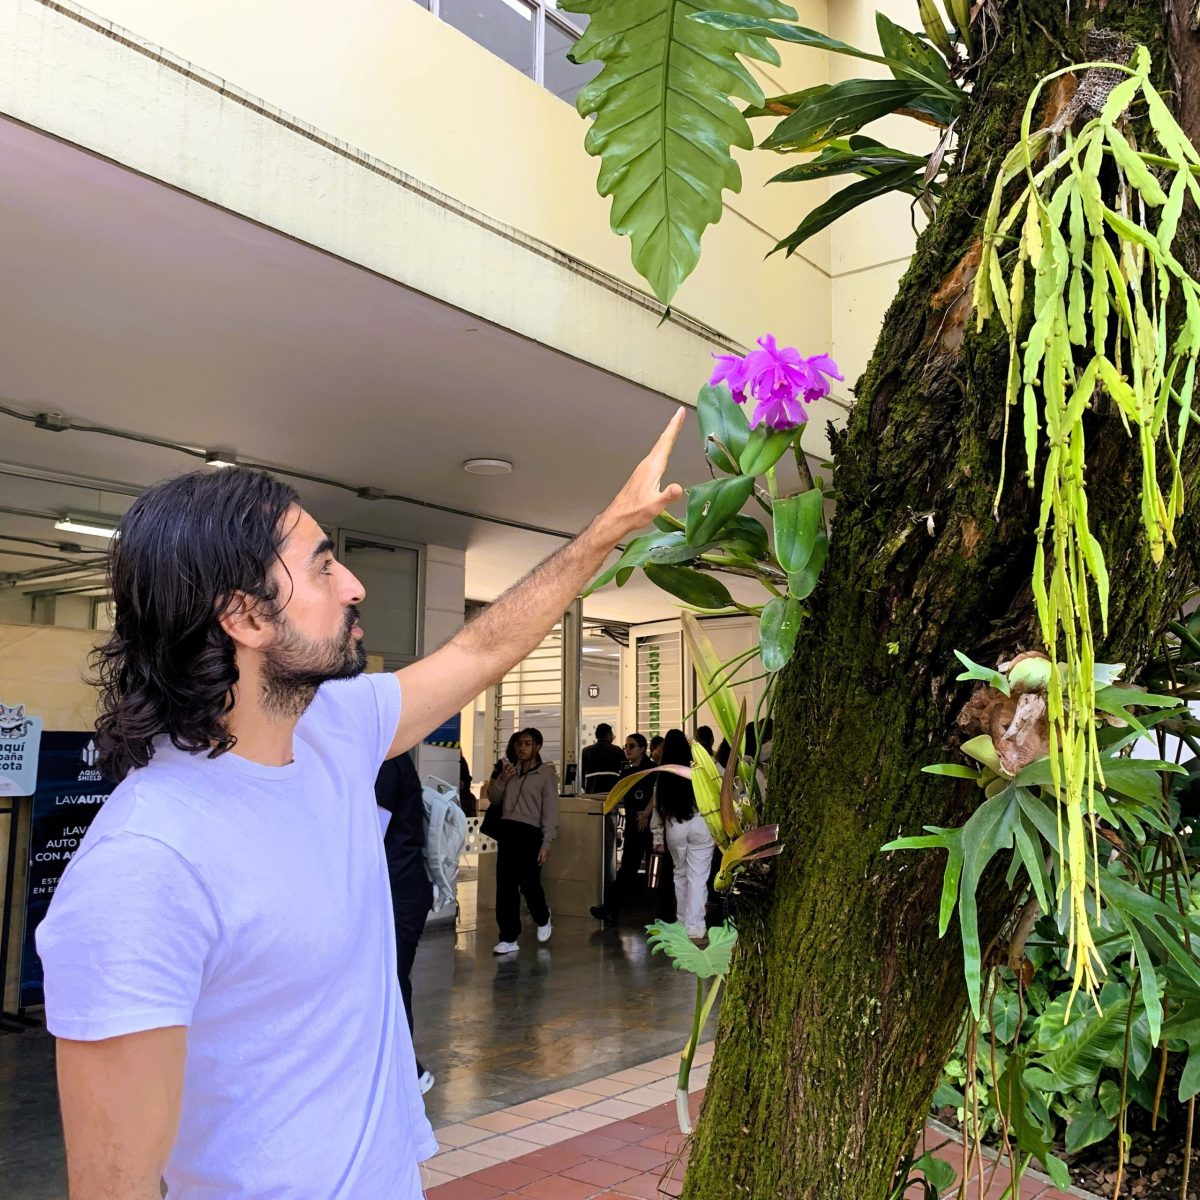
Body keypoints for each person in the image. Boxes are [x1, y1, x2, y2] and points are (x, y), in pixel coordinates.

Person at [34, 410, 684, 1200]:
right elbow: (114, 1185)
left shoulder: (332, 732)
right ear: (242, 616)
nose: (354, 586)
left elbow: (481, 648)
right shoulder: (145, 864)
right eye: (322, 568)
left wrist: (607, 531)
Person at [375, 752, 435, 1095]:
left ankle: (408, 1073)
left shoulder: (387, 762)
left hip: (399, 896)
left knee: (391, 981)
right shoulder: (381, 760)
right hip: (393, 892)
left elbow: (368, 832)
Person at [487, 727, 557, 954]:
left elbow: (550, 810)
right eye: (519, 744)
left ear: (537, 747)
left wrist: (546, 842)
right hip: (508, 831)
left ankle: (542, 915)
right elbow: (494, 799)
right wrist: (502, 779)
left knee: (529, 884)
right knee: (506, 886)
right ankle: (508, 937)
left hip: (530, 834)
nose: (522, 748)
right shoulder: (510, 771)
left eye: (527, 744)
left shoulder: (545, 774)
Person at [649, 729, 713, 940]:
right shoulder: (697, 770)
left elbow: (659, 808)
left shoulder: (664, 773)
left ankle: (682, 921)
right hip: (700, 824)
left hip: (675, 827)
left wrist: (657, 837)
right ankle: (695, 928)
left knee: (680, 875)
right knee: (698, 877)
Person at [590, 732, 653, 926]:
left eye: (631, 746)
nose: (627, 749)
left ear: (642, 748)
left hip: (652, 828)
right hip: (634, 827)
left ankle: (660, 913)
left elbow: (656, 794)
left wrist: (646, 814)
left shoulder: (652, 769)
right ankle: (610, 909)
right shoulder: (626, 772)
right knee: (626, 870)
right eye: (626, 746)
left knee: (656, 871)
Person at [581, 722, 625, 793]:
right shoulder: (617, 750)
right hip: (612, 793)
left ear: (596, 735)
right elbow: (626, 771)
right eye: (612, 734)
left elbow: (581, 774)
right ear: (608, 735)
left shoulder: (586, 751)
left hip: (591, 794)